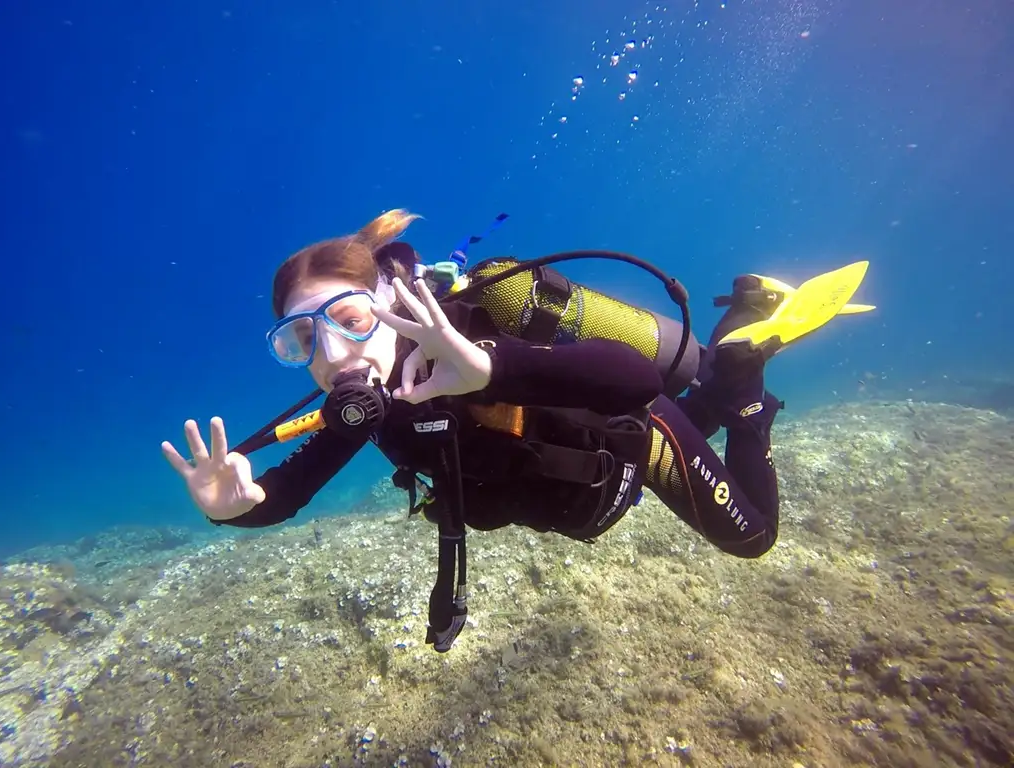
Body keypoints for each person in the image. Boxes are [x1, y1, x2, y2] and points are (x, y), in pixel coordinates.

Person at [161, 209, 871, 649]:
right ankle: (737, 340)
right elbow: (288, 489)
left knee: (752, 537)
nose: (333, 356)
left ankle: (747, 398)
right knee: (701, 401)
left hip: (631, 446)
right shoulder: (367, 397)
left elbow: (636, 384)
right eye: (299, 342)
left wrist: (487, 369)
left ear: (387, 298)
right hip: (582, 485)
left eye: (347, 321)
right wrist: (237, 510)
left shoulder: (472, 323)